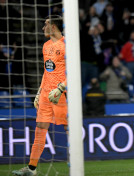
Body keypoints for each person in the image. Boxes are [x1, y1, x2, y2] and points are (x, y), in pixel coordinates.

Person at [12, 15, 67, 176]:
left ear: (54, 27)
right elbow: (47, 71)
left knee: (68, 128)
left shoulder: (66, 46)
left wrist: (61, 88)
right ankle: (31, 169)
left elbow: (73, 72)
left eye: (46, 25)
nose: (43, 28)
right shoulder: (46, 46)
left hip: (60, 95)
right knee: (40, 130)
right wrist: (38, 92)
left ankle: (77, 164)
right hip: (45, 95)